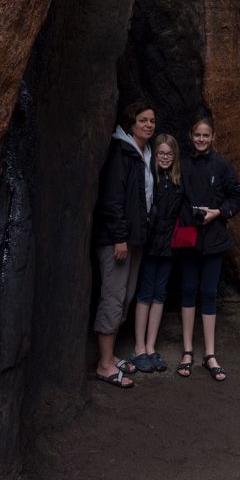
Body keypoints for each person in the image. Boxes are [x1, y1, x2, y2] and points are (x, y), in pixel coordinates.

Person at [93, 100, 156, 388]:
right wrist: (120, 236)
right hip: (117, 240)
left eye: (152, 121)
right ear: (131, 123)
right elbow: (112, 199)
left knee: (125, 297)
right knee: (113, 297)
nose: (148, 125)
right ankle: (104, 365)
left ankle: (111, 354)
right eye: (143, 120)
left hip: (134, 240)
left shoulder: (145, 153)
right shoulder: (121, 153)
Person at [177, 115, 240, 382]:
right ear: (191, 137)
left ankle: (210, 354)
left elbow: (237, 196)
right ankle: (187, 351)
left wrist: (219, 212)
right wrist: (187, 215)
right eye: (197, 135)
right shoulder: (182, 165)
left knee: (208, 293)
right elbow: (174, 195)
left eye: (206, 135)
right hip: (188, 238)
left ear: (213, 137)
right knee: (188, 290)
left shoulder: (222, 165)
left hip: (214, 239)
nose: (201, 140)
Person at [131, 134, 183, 373]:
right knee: (145, 293)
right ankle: (139, 348)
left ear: (175, 156)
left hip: (169, 247)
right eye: (161, 153)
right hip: (150, 245)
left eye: (169, 154)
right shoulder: (149, 177)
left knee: (159, 295)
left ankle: (151, 347)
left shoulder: (178, 181)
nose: (165, 157)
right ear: (156, 155)